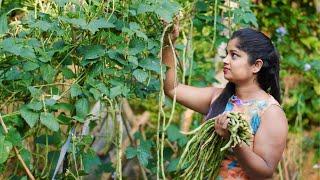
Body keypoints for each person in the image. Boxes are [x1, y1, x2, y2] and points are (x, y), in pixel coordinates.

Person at [162, 23, 288, 179]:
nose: (225, 60)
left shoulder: (270, 112)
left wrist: (232, 138)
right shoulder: (218, 97)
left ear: (256, 65)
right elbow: (172, 89)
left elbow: (264, 172)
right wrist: (168, 43)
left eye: (234, 55)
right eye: (226, 54)